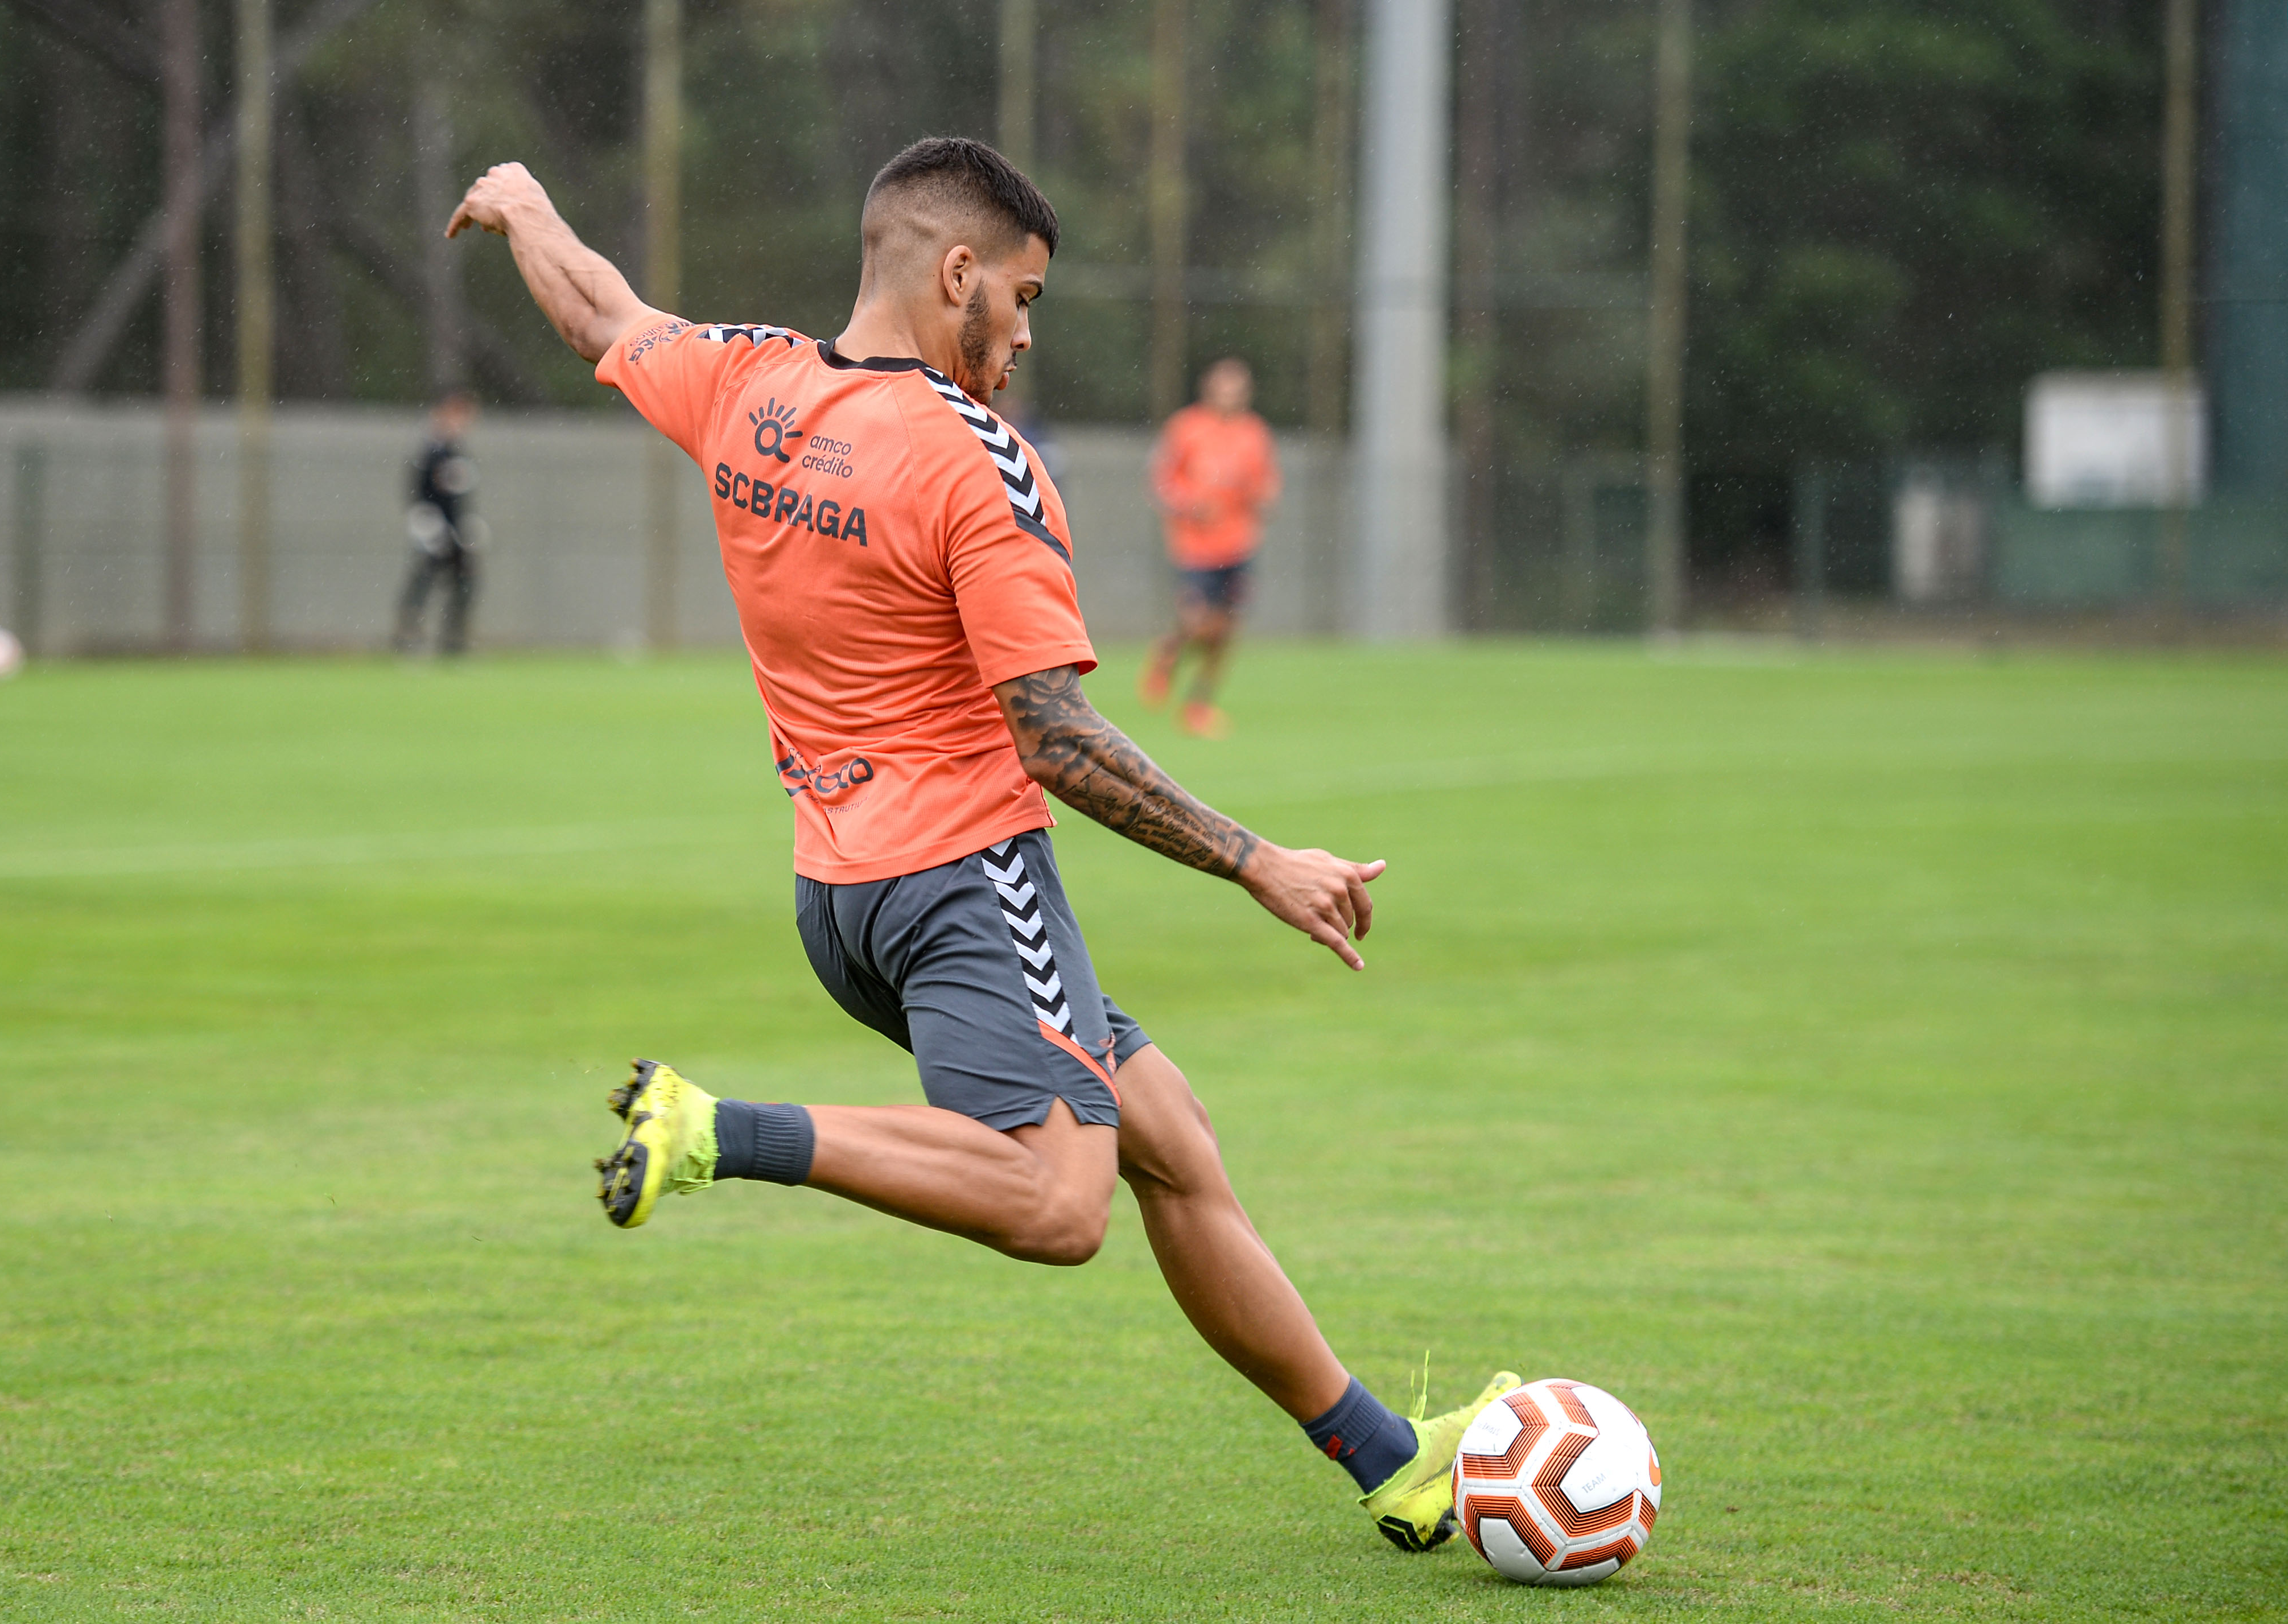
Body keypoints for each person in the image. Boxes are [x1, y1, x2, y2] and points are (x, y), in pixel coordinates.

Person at [446, 137, 1515, 1555]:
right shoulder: (974, 460)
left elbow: (601, 312)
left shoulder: (752, 382)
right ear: (958, 273)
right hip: (966, 881)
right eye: (1022, 296)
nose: (1023, 333)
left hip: (839, 898)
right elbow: (1054, 736)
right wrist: (1257, 858)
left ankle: (1391, 1461)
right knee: (1060, 1200)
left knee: (1172, 1142)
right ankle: (716, 1130)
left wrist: (524, 203)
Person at [1138, 357, 1280, 738]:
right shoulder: (1186, 428)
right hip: (1194, 548)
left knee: (1225, 632)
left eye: (1238, 389)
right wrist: (1189, 504)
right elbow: (1160, 481)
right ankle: (1168, 652)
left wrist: (1264, 500)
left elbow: (1266, 484)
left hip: (1238, 546)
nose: (1230, 395)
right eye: (1224, 388)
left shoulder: (1254, 433)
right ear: (1209, 389)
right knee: (1196, 622)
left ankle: (1198, 705)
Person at [393, 389, 481, 656]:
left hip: (454, 531)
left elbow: (458, 497)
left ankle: (454, 642)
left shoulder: (456, 452)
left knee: (466, 582)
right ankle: (407, 639)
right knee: (422, 582)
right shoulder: (430, 451)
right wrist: (426, 522)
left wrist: (466, 526)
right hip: (432, 529)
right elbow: (418, 491)